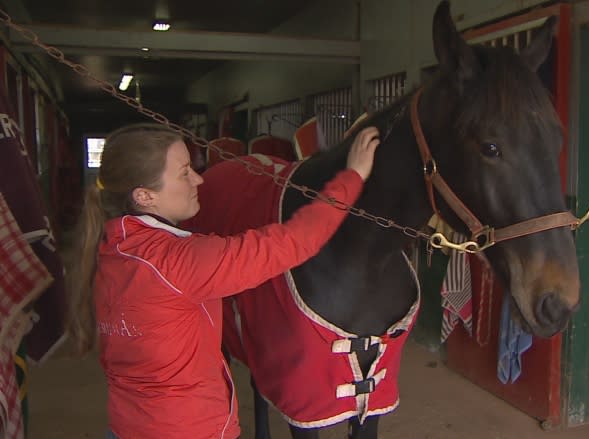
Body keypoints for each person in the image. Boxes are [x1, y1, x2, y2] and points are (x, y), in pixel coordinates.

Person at [66, 123, 380, 439]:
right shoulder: (178, 262)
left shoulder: (110, 246)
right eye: (184, 172)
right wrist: (352, 177)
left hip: (127, 426)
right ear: (144, 196)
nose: (199, 179)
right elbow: (294, 241)